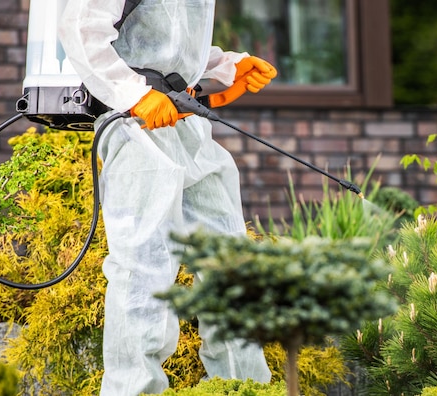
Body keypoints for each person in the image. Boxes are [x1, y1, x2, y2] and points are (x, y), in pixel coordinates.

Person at [57, 1, 277, 395]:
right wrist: (133, 95)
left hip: (183, 124)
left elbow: (166, 38)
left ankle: (243, 387)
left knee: (230, 260)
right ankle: (133, 390)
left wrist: (223, 67)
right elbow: (80, 28)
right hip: (134, 125)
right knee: (143, 267)